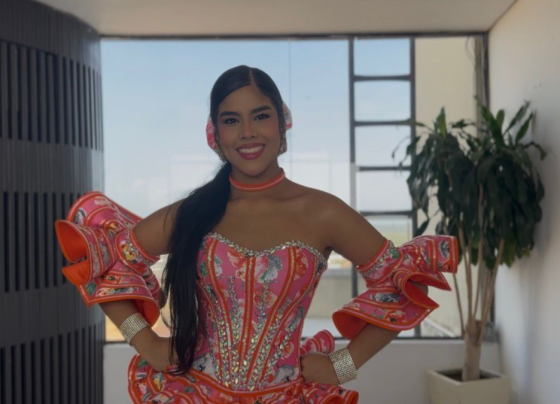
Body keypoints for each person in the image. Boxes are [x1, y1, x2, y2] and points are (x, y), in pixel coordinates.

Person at [55, 65, 459, 403]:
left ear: (282, 123)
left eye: (260, 116)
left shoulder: (324, 212)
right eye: (232, 120)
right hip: (196, 393)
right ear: (215, 134)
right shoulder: (191, 213)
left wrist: (343, 365)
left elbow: (404, 283)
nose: (247, 132)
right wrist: (146, 343)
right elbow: (103, 257)